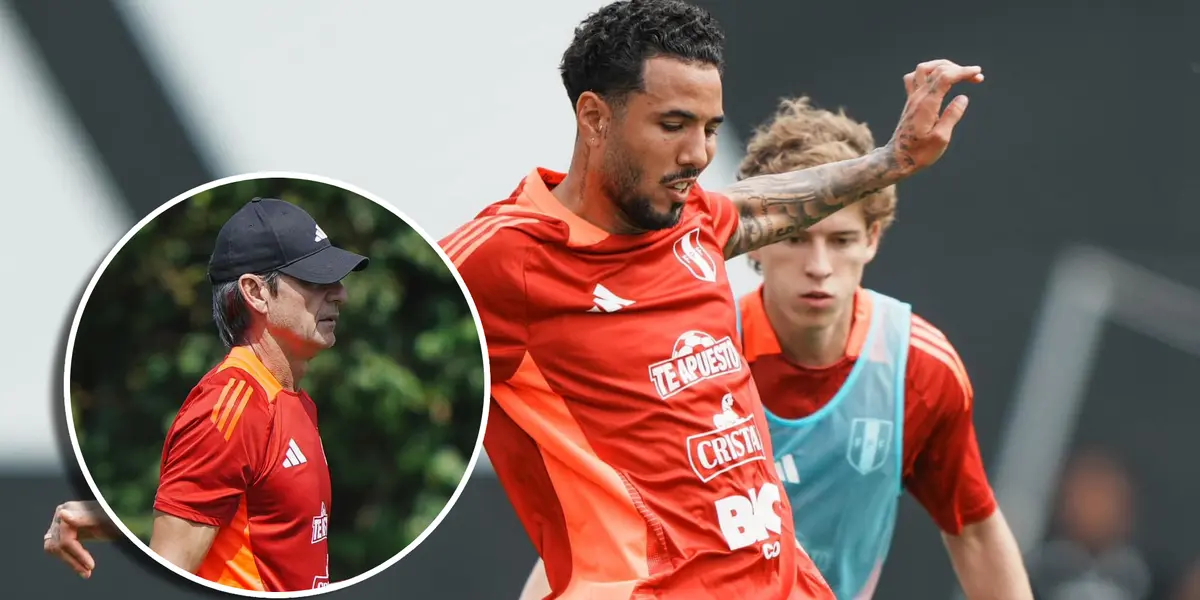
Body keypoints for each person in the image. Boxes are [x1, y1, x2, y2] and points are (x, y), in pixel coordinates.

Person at [438, 0, 983, 597]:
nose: (697, 154)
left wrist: (891, 160)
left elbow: (760, 205)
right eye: (673, 125)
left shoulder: (689, 221)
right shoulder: (498, 258)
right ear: (594, 118)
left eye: (710, 129)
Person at [517, 95, 1033, 600]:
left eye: (841, 241)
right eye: (797, 238)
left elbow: (975, 532)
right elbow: (602, 529)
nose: (819, 266)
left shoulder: (918, 368)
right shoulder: (686, 355)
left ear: (873, 239)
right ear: (758, 240)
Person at [44, 197, 368, 592]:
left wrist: (109, 521)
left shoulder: (293, 402)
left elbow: (221, 518)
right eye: (315, 280)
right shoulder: (230, 406)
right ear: (255, 292)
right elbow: (167, 573)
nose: (340, 294)